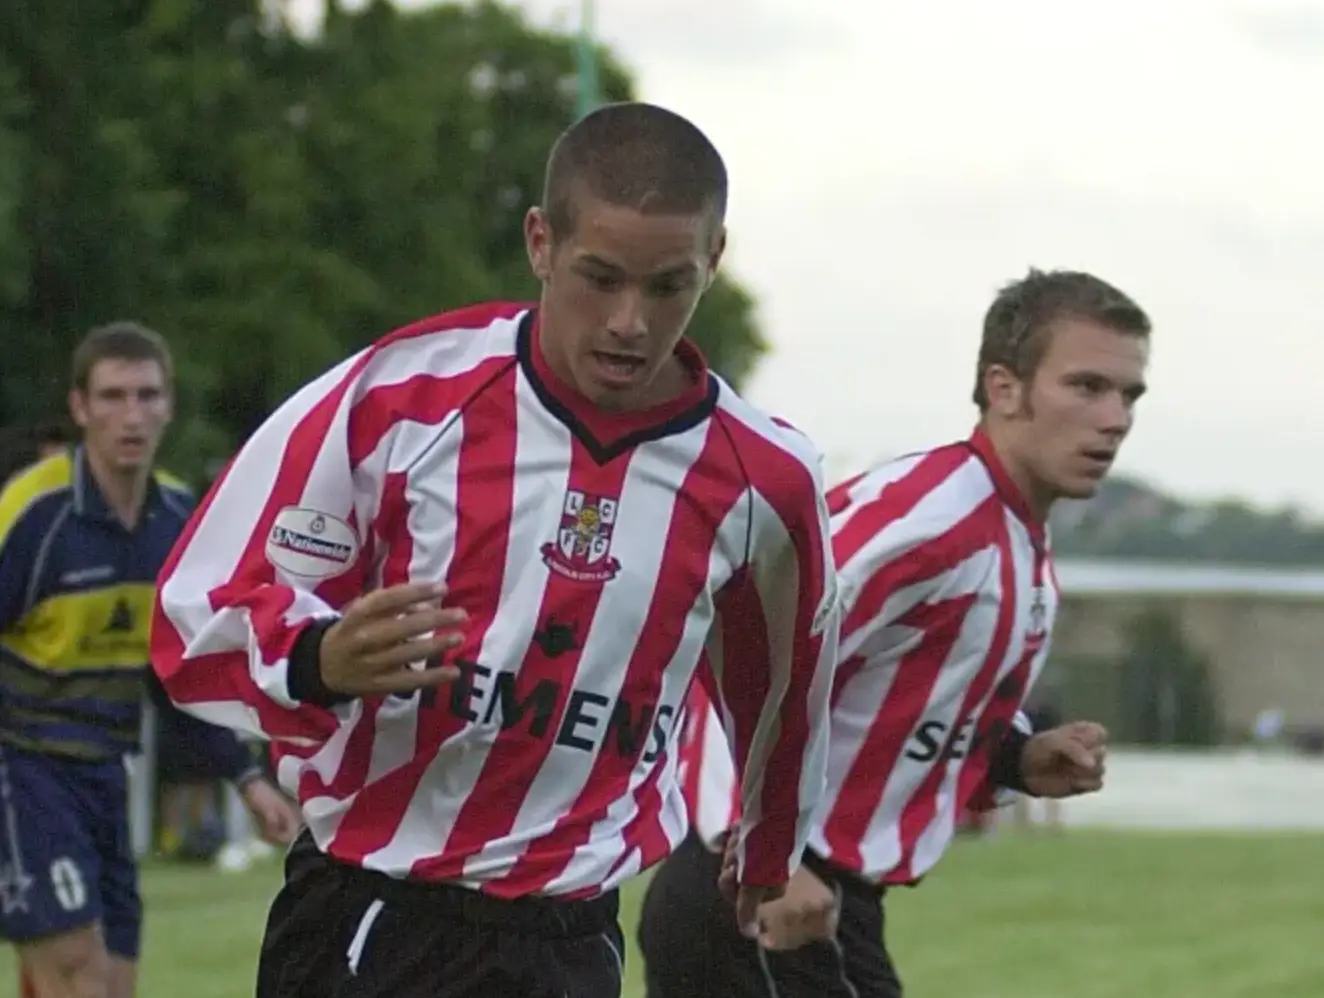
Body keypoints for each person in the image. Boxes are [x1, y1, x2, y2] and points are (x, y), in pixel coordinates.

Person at [150, 101, 839, 998]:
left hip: (566, 935)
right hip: (368, 910)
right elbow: (200, 602)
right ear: (541, 242)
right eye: (600, 277)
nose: (630, 321)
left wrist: (770, 845)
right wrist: (318, 655)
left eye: (667, 285)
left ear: (712, 261)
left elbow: (783, 686)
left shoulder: (765, 481)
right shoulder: (402, 397)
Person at [637, 267, 1151, 998]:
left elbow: (882, 706)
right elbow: (728, 650)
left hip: (825, 900)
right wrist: (759, 853)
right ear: (1003, 388)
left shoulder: (1018, 542)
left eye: (1129, 395)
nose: (1115, 418)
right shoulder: (929, 520)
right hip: (760, 901)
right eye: (1087, 387)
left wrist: (1016, 758)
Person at [0, 322, 301, 998]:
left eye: (146, 395)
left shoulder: (176, 521)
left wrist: (248, 781)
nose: (130, 415)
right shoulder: (32, 517)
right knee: (76, 972)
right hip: (24, 769)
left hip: (107, 776)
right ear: (80, 409)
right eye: (112, 397)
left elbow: (181, 675)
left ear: (168, 405)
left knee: (113, 983)